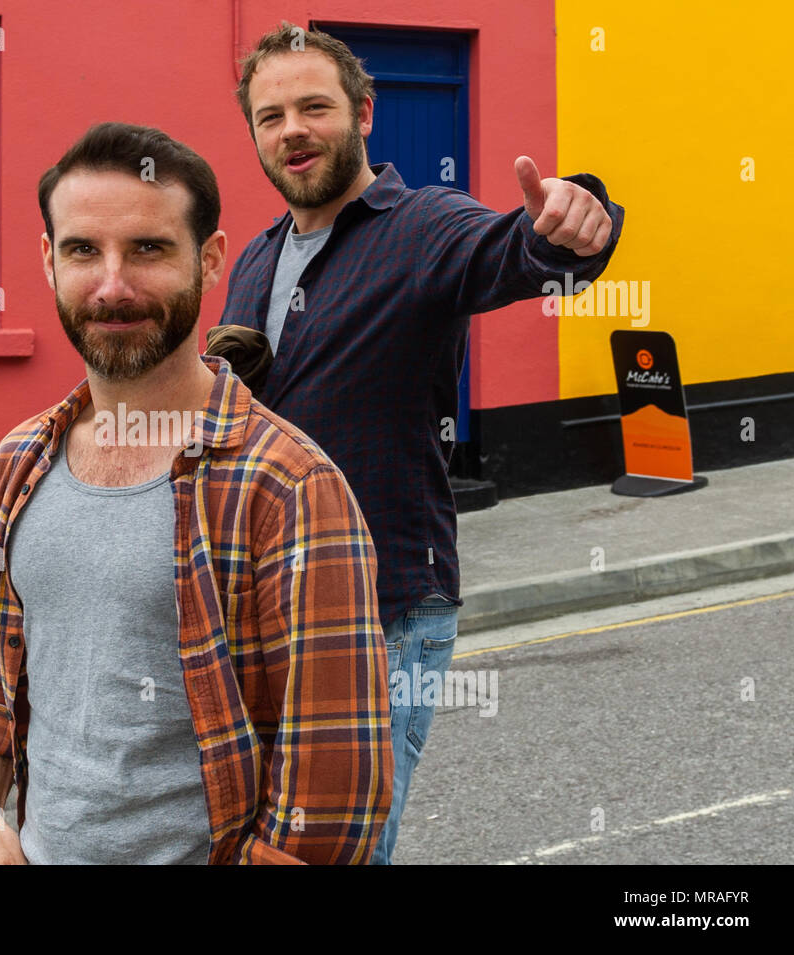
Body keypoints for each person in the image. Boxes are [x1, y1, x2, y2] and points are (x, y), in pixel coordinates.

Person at [222, 24, 625, 863]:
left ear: (364, 114)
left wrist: (575, 224)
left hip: (385, 605)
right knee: (268, 840)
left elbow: (517, 251)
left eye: (314, 107)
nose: (291, 129)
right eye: (270, 116)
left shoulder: (424, 224)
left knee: (347, 847)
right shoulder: (256, 259)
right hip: (270, 605)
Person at [0, 122, 392, 865]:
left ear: (209, 260)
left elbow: (331, 798)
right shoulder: (20, 459)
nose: (113, 285)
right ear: (49, 261)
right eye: (84, 250)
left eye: (148, 249)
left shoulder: (287, 486)